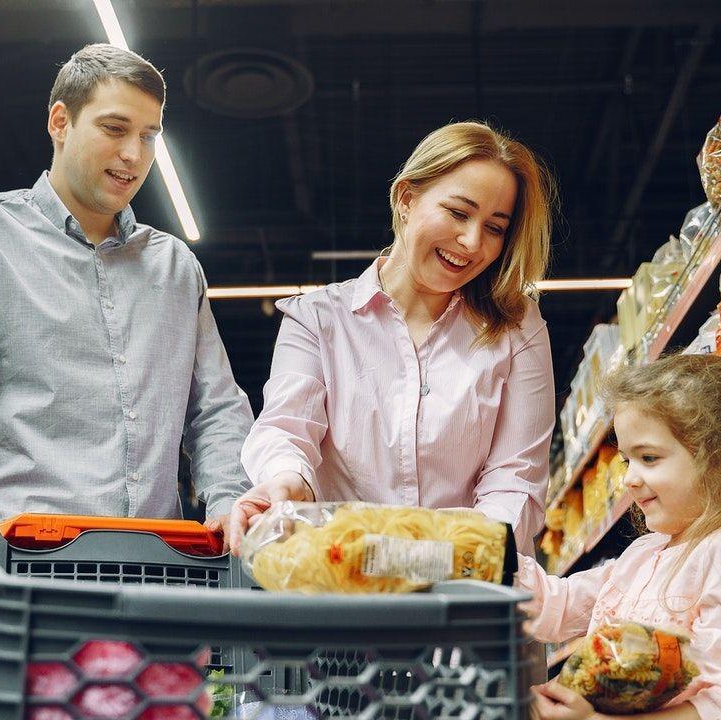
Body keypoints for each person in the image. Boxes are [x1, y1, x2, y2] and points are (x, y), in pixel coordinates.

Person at [0, 44, 253, 607]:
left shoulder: (175, 268)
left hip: (159, 579)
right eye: (115, 128)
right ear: (60, 121)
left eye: (149, 136)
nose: (133, 154)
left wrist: (231, 503)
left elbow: (215, 409)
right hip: (20, 575)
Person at [228, 121, 557, 555]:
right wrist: (287, 482)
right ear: (406, 198)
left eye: (495, 227)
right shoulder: (318, 320)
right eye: (458, 212)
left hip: (467, 590)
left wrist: (439, 556)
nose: (473, 241)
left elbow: (516, 479)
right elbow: (287, 429)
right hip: (343, 580)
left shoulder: (517, 328)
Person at [520, 354, 721, 720]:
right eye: (626, 461)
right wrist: (485, 555)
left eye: (649, 458)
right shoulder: (642, 554)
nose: (629, 480)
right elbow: (556, 607)